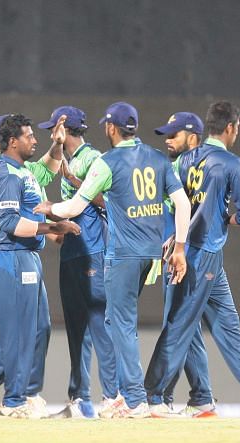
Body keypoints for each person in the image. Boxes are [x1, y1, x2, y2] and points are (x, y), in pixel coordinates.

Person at [144, 101, 240, 419]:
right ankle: (148, 397)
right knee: (181, 326)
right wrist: (221, 218)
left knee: (223, 327)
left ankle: (229, 397)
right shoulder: (232, 163)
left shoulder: (180, 162)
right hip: (203, 253)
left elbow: (172, 205)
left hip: (181, 250)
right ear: (231, 128)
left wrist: (174, 238)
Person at [37, 102, 191, 418]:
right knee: (115, 321)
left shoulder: (105, 162)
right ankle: (131, 396)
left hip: (122, 255)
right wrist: (179, 248)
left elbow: (73, 208)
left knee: (119, 324)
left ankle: (133, 399)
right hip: (151, 256)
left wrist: (49, 208)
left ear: (110, 128)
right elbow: (182, 205)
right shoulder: (158, 158)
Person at [0, 114, 79, 419]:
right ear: (12, 142)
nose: (34, 140)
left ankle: (22, 394)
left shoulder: (23, 170)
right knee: (17, 332)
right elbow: (10, 223)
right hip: (12, 256)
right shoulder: (5, 175)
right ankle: (3, 395)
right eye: (29, 136)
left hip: (27, 256)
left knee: (39, 327)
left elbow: (50, 167)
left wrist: (57, 144)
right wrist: (55, 229)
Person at [37, 106, 118, 419]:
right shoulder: (65, 160)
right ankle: (80, 400)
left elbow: (107, 203)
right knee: (76, 327)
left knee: (100, 323)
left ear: (63, 127)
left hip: (93, 250)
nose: (49, 135)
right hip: (71, 251)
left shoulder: (94, 158)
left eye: (53, 129)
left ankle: (113, 397)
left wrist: (72, 182)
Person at [143, 111, 217, 418]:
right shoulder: (175, 166)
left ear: (193, 136)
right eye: (167, 135)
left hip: (184, 256)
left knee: (178, 325)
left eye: (174, 135)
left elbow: (200, 210)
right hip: (172, 253)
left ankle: (156, 395)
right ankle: (200, 397)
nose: (169, 140)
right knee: (186, 328)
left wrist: (178, 241)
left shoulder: (200, 168)